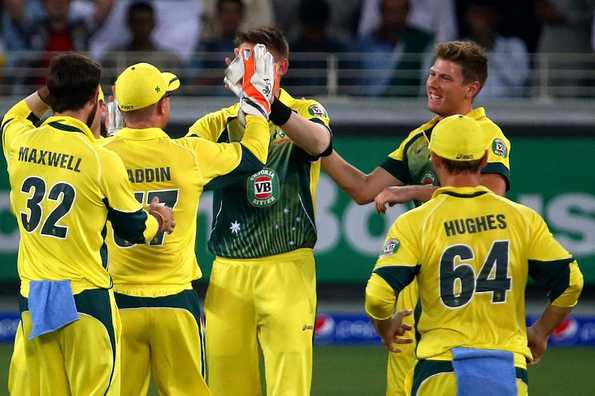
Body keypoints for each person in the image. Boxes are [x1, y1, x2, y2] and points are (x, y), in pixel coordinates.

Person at [322, 40, 511, 396]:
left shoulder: (488, 134)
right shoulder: (420, 138)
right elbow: (364, 189)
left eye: (445, 78)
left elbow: (488, 194)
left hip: (463, 287)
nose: (433, 83)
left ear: (471, 88)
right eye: (432, 73)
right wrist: (319, 148)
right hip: (417, 282)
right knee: (405, 381)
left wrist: (407, 191)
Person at [365, 114, 583, 395]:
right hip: (506, 370)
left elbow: (377, 297)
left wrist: (386, 328)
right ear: (483, 159)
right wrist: (540, 332)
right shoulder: (522, 219)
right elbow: (571, 282)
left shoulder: (416, 222)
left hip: (441, 369)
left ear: (435, 160)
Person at [100, 46, 274, 396]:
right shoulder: (189, 155)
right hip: (175, 303)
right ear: (163, 106)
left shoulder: (99, 155)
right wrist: (257, 104)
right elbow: (255, 155)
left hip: (118, 301)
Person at [2, 53, 174, 395]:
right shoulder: (100, 158)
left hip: (33, 297)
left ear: (53, 94)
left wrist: (50, 92)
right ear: (96, 99)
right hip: (85, 300)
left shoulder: (20, 142)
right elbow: (134, 228)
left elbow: (13, 116)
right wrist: (158, 219)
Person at [187, 26, 332, 396]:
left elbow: (319, 143)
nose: (245, 66)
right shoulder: (216, 124)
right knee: (227, 387)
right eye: (240, 58)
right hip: (228, 272)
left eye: (256, 59)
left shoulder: (305, 110)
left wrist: (269, 103)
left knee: (289, 386)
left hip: (288, 268)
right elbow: (183, 166)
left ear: (280, 66)